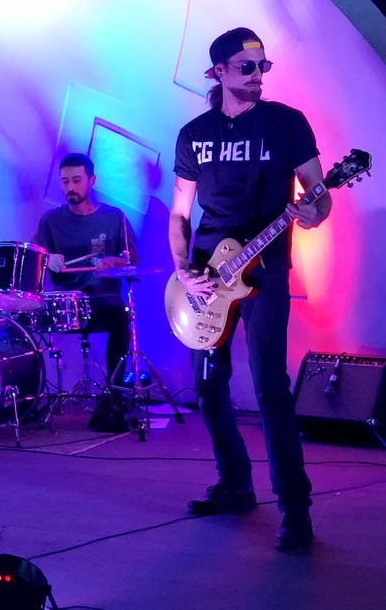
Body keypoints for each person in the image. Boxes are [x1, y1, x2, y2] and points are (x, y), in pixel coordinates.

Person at [169, 27, 330, 552]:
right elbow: (179, 213)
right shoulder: (195, 134)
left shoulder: (286, 123)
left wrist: (314, 211)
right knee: (208, 388)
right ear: (218, 72)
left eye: (262, 66)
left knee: (269, 388)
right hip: (207, 273)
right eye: (246, 66)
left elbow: (320, 195)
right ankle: (235, 483)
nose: (257, 75)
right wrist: (183, 268)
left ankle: (295, 508)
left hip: (266, 270)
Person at [32, 153, 138, 378]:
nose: (70, 187)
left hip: (104, 299)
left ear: (92, 180)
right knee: (26, 318)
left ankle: (115, 388)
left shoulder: (114, 217)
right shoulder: (50, 220)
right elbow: (33, 259)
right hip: (64, 304)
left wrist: (112, 262)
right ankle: (36, 390)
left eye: (77, 180)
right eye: (65, 181)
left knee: (120, 315)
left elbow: (132, 260)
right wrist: (48, 258)